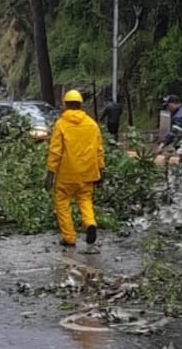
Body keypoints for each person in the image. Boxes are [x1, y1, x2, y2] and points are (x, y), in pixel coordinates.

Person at [44, 90, 105, 249]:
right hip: (88, 173)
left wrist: (50, 173)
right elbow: (99, 150)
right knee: (85, 200)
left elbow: (55, 151)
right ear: (80, 105)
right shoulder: (92, 124)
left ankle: (69, 237)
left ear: (65, 105)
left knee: (62, 203)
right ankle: (90, 223)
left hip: (67, 174)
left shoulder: (61, 124)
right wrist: (101, 171)